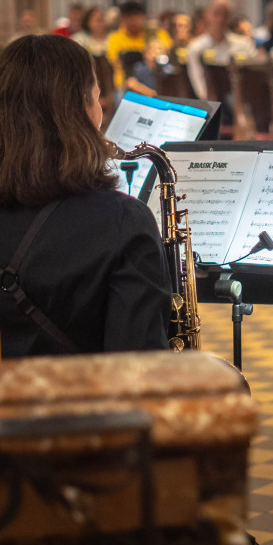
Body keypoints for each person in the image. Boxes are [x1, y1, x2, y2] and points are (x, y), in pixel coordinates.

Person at [0, 35, 171, 357]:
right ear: (83, 108)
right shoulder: (122, 221)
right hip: (80, 404)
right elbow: (138, 370)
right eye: (97, 98)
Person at [185, 0, 255, 98]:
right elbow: (200, 86)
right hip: (211, 104)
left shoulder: (244, 44)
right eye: (216, 14)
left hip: (241, 99)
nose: (220, 19)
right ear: (207, 15)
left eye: (225, 14)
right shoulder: (196, 48)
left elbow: (252, 77)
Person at [105, 0, 172, 93]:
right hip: (125, 85)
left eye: (136, 17)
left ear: (143, 17)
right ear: (122, 19)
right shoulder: (115, 38)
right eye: (129, 17)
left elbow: (167, 54)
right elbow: (115, 62)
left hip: (156, 79)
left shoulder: (156, 34)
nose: (133, 22)